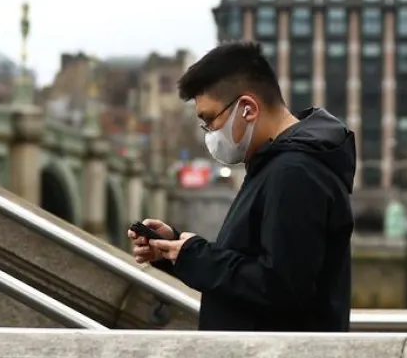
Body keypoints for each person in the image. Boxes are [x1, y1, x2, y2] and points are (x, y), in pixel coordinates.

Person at [127, 40, 356, 331]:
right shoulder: (277, 164)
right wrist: (175, 250)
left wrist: (194, 255)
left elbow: (281, 287)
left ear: (247, 108)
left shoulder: (295, 172)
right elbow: (258, 262)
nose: (208, 133)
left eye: (209, 120)